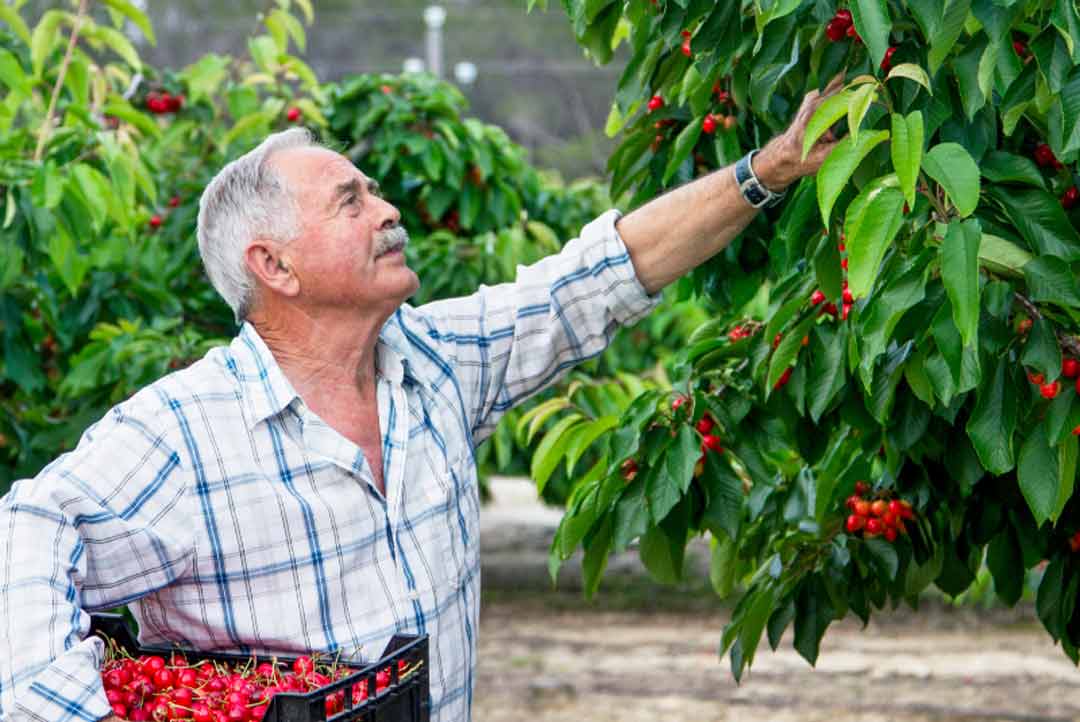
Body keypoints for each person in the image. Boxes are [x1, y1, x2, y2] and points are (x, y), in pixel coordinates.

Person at [0, 79, 840, 722]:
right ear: (275, 266)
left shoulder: (433, 365)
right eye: (351, 201)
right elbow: (28, 530)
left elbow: (590, 284)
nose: (388, 210)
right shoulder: (187, 432)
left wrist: (764, 172)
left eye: (372, 191)